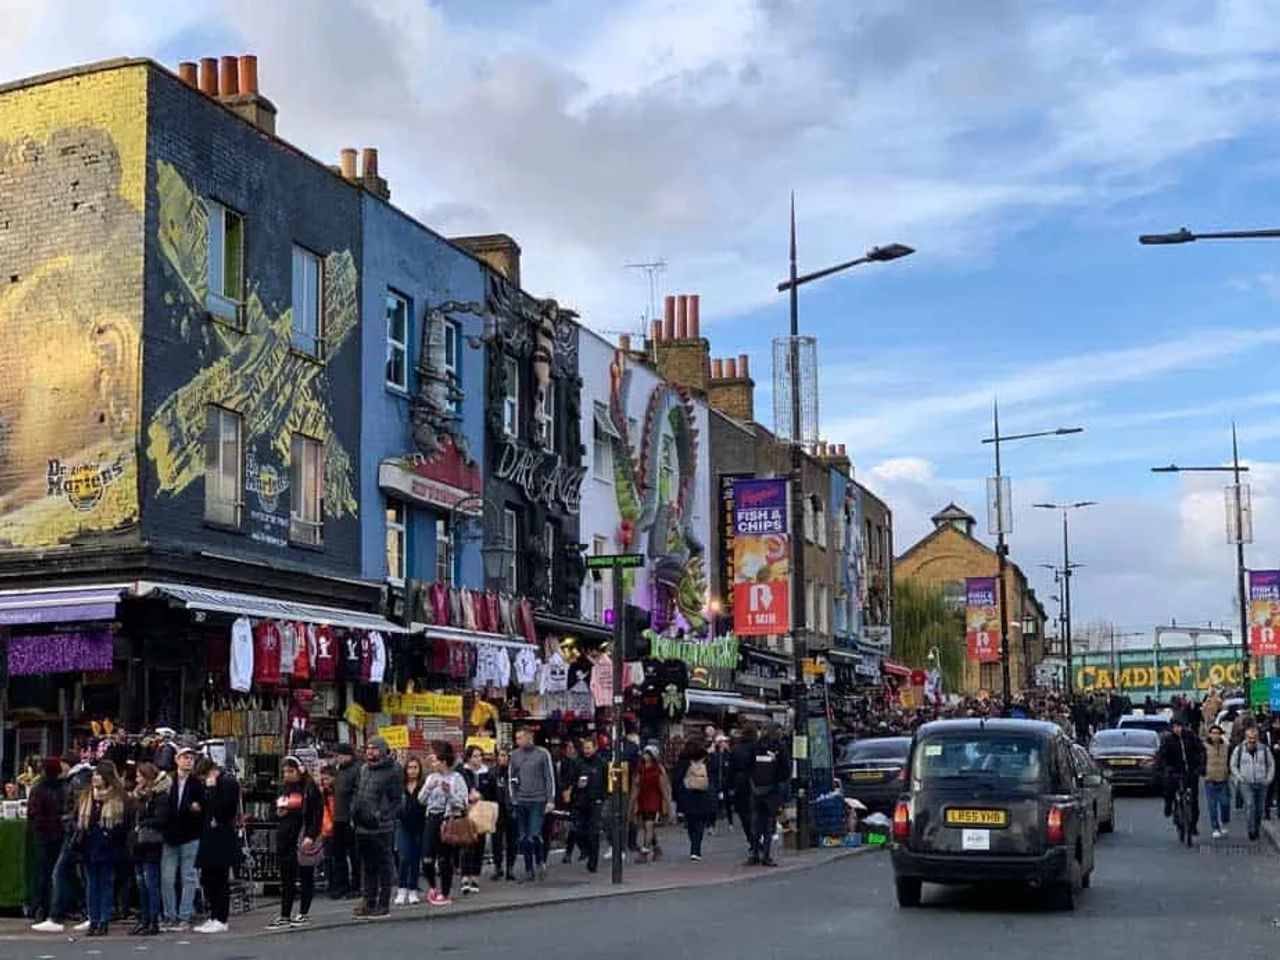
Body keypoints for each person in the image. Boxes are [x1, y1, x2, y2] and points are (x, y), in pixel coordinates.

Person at [350, 736, 403, 918]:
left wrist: (382, 816)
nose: (370, 751)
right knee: (367, 866)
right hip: (362, 826)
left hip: (381, 828)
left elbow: (397, 800)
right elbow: (358, 792)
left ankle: (383, 902)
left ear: (382, 750)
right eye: (368, 748)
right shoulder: (363, 769)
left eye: (374, 748)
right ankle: (368, 901)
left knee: (384, 866)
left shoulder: (393, 770)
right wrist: (354, 811)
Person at [268, 756, 323, 929]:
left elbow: (317, 814)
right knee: (287, 878)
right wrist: (277, 813)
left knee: (305, 874)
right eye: (284, 771)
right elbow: (272, 813)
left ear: (300, 770)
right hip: (285, 837)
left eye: (290, 771)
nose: (287, 775)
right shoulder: (283, 789)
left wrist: (311, 835)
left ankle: (304, 912)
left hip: (302, 836)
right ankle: (285, 913)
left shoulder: (309, 788)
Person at [77, 762, 128, 937]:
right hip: (89, 845)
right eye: (94, 775)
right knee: (91, 885)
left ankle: (104, 920)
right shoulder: (86, 796)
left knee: (106, 883)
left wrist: (112, 837)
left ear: (107, 777)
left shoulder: (117, 798)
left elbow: (122, 825)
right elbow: (78, 818)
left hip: (108, 845)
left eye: (98, 775)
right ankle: (93, 920)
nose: (95, 778)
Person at [160, 744, 205, 933]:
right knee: (167, 878)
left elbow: (203, 807)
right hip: (170, 835)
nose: (188, 761)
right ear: (177, 760)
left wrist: (197, 809)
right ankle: (169, 915)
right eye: (184, 757)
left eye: (191, 758)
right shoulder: (167, 780)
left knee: (189, 877)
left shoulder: (197, 784)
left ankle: (184, 916)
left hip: (190, 835)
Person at [194, 756, 241, 934]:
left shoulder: (228, 783)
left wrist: (212, 790)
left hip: (221, 836)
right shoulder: (211, 785)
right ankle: (214, 915)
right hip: (210, 836)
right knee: (209, 878)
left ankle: (221, 918)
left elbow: (223, 812)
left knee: (220, 880)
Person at [419, 742, 468, 905]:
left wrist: (449, 793)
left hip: (447, 820)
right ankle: (432, 887)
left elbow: (462, 803)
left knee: (444, 859)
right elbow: (421, 799)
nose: (433, 764)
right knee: (426, 857)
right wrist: (429, 788)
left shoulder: (457, 778)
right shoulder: (431, 778)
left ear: (444, 761)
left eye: (435, 761)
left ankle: (445, 892)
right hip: (431, 818)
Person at [508, 727, 556, 881]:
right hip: (522, 800)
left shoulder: (542, 754)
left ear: (530, 737)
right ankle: (529, 868)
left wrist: (550, 800)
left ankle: (540, 860)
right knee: (523, 837)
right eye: (517, 739)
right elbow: (511, 777)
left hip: (538, 800)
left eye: (520, 738)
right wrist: (514, 798)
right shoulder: (514, 755)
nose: (518, 742)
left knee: (534, 834)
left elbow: (549, 778)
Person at [129, 762, 171, 937]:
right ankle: (144, 918)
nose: (137, 780)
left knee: (150, 883)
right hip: (138, 844)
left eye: (139, 776)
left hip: (151, 843)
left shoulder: (160, 796)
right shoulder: (140, 796)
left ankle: (153, 920)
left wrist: (143, 824)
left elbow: (161, 819)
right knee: (141, 884)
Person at [24, 757, 65, 925]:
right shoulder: (59, 788)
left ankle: (41, 906)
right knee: (52, 873)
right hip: (53, 834)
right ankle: (46, 906)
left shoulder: (39, 789)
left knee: (44, 872)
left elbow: (32, 814)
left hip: (44, 835)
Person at [458, 745, 498, 895]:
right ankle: (464, 877)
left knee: (479, 846)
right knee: (466, 845)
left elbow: (493, 794)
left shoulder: (488, 774)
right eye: (475, 756)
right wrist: (467, 797)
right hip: (466, 812)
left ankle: (475, 876)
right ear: (468, 757)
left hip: (482, 812)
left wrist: (482, 796)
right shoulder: (462, 772)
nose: (478, 759)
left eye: (480, 756)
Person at [747, 728, 788, 867]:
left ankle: (754, 853)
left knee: (756, 823)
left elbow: (748, 765)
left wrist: (753, 782)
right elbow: (785, 769)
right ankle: (766, 855)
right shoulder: (780, 747)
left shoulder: (755, 746)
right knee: (769, 824)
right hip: (771, 790)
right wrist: (776, 781)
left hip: (756, 789)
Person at [1158, 716, 1205, 836]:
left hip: (1191, 771)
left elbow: (1201, 751)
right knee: (1169, 788)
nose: (1177, 729)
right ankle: (1168, 805)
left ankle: (1193, 824)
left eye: (1179, 726)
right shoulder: (1168, 740)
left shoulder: (1191, 737)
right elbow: (1161, 756)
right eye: (1174, 727)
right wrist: (1164, 768)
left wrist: (1200, 766)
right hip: (1174, 771)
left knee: (1193, 800)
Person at [1230, 725, 1276, 841]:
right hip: (1246, 783)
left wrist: (1268, 778)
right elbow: (1233, 765)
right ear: (1246, 737)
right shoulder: (1239, 749)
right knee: (1250, 805)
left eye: (1254, 737)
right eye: (1250, 737)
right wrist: (1240, 778)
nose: (1252, 740)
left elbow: (1271, 764)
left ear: (1258, 738)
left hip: (1262, 783)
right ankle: (1251, 830)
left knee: (1259, 808)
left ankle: (1256, 827)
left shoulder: (1264, 749)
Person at [674, 737, 716, 861]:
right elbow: (712, 776)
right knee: (700, 822)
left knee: (691, 821)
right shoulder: (707, 758)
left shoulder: (683, 759)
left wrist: (676, 795)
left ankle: (693, 844)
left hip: (687, 794)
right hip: (703, 794)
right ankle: (696, 848)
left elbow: (677, 778)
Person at [328, 743, 362, 899]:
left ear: (347, 755)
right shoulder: (339, 770)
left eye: (337, 756)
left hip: (350, 818)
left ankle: (357, 886)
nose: (335, 759)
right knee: (338, 854)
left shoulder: (357, 769)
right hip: (338, 817)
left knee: (355, 854)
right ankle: (341, 885)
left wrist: (353, 814)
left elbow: (357, 794)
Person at [569, 736, 606, 872]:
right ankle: (586, 850)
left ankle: (593, 861)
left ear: (595, 748)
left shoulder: (601, 762)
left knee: (594, 832)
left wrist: (602, 798)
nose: (586, 751)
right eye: (585, 748)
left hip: (596, 801)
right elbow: (571, 781)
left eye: (589, 748)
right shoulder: (578, 763)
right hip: (581, 801)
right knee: (579, 831)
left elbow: (605, 782)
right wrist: (577, 785)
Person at [629, 745, 672, 862]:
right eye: (645, 753)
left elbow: (665, 787)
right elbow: (636, 785)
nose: (645, 755)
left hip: (653, 800)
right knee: (647, 827)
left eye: (648, 753)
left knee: (648, 826)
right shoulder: (640, 768)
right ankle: (657, 848)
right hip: (643, 799)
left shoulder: (658, 769)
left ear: (653, 756)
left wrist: (668, 805)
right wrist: (632, 802)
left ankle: (644, 852)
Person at [394, 756, 427, 905]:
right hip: (402, 824)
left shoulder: (424, 785)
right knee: (403, 857)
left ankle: (413, 890)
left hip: (420, 825)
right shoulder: (400, 786)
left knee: (415, 859)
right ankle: (402, 888)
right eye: (410, 767)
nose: (412, 771)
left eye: (415, 767)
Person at [1202, 724, 1232, 839]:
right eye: (1213, 733)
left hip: (1223, 779)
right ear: (1210, 734)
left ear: (1220, 735)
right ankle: (1215, 827)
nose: (1215, 735)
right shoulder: (1204, 747)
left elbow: (1230, 759)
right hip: (1210, 779)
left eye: (1217, 733)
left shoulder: (1226, 746)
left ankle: (1224, 824)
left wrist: (1229, 771)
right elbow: (1200, 759)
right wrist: (1202, 771)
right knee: (1212, 806)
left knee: (1225, 803)